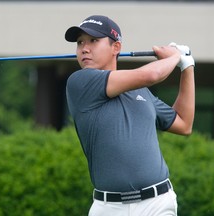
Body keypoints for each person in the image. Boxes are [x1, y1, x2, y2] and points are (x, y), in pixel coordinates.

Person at [65, 15, 195, 216]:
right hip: (108, 208)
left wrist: (187, 67)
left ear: (116, 48)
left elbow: (184, 124)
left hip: (157, 204)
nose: (84, 48)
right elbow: (151, 75)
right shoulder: (80, 82)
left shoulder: (141, 92)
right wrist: (174, 56)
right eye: (80, 42)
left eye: (93, 41)